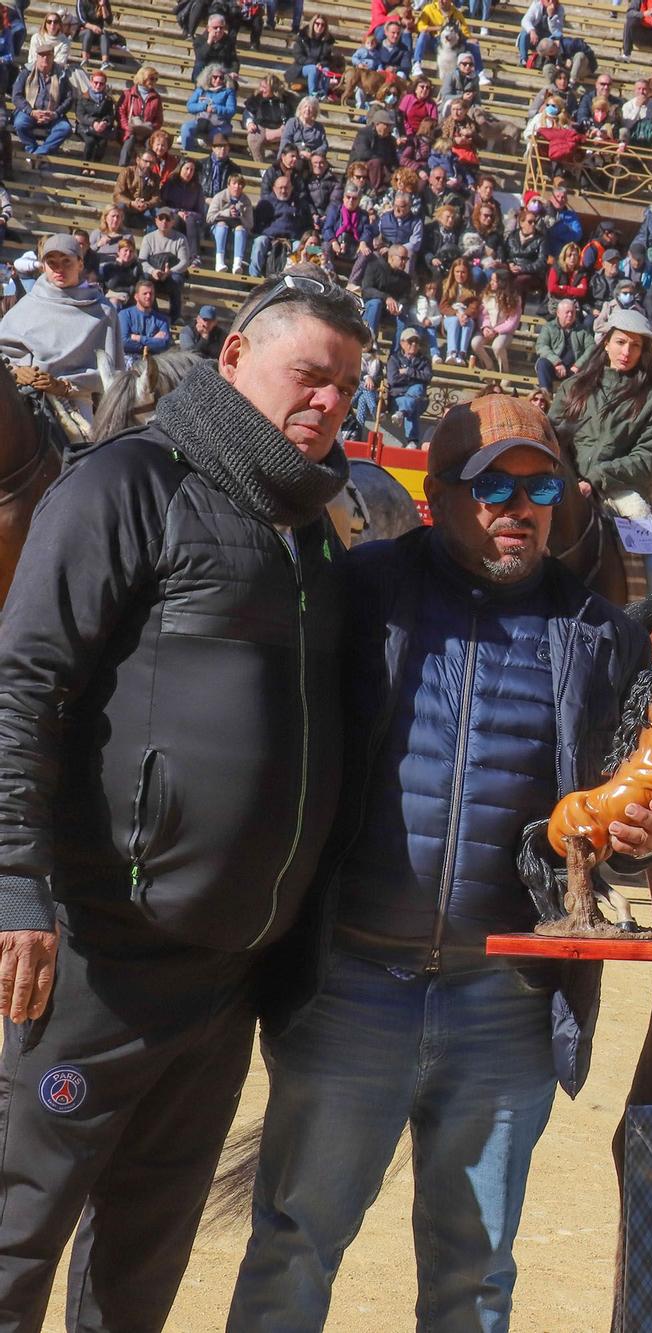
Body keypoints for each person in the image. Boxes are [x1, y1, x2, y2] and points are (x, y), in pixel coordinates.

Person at [227, 393, 652, 1330]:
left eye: (539, 483)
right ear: (439, 494)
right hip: (350, 982)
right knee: (295, 1244)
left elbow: (619, 816)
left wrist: (648, 835)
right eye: (493, 484)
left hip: (504, 1005)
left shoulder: (608, 639)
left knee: (475, 1276)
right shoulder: (361, 592)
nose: (519, 505)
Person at [0, 268, 366, 1329]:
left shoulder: (310, 530)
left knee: (143, 1264)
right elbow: (22, 687)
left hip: (226, 977)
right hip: (93, 957)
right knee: (16, 1235)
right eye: (310, 375)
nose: (329, 403)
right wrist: (16, 890)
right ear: (236, 357)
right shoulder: (125, 485)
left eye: (347, 387)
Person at [555, 313, 652, 593]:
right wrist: (567, 474)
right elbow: (553, 433)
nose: (626, 351)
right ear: (606, 343)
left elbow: (651, 459)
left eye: (635, 345)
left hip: (632, 488)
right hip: (569, 479)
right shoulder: (575, 387)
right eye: (620, 342)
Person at [0, 232, 121, 430]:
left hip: (74, 405)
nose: (59, 269)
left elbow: (110, 372)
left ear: (80, 263)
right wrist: (15, 371)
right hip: (19, 395)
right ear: (44, 266)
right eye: (52, 263)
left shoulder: (103, 311)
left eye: (66, 261)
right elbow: (4, 351)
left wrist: (63, 386)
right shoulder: (29, 304)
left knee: (83, 451)